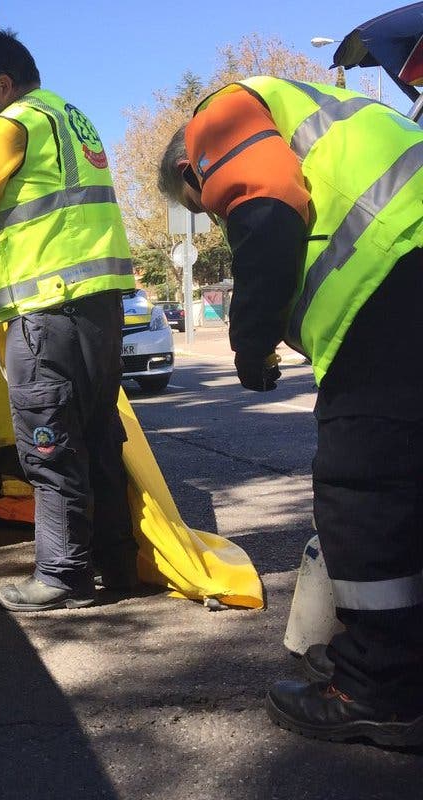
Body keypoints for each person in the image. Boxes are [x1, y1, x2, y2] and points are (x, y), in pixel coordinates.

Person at [159, 76, 423, 746]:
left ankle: (376, 692)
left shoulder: (215, 121)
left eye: (207, 208)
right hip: (406, 262)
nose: (219, 219)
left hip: (393, 281)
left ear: (191, 168)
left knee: (366, 489)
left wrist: (250, 341)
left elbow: (269, 210)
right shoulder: (307, 113)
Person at [0, 32, 138, 611]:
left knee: (49, 444)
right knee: (98, 436)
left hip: (45, 309)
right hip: (98, 307)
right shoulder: (72, 119)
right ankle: (117, 565)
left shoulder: (12, 125)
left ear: (2, 84)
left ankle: (61, 575)